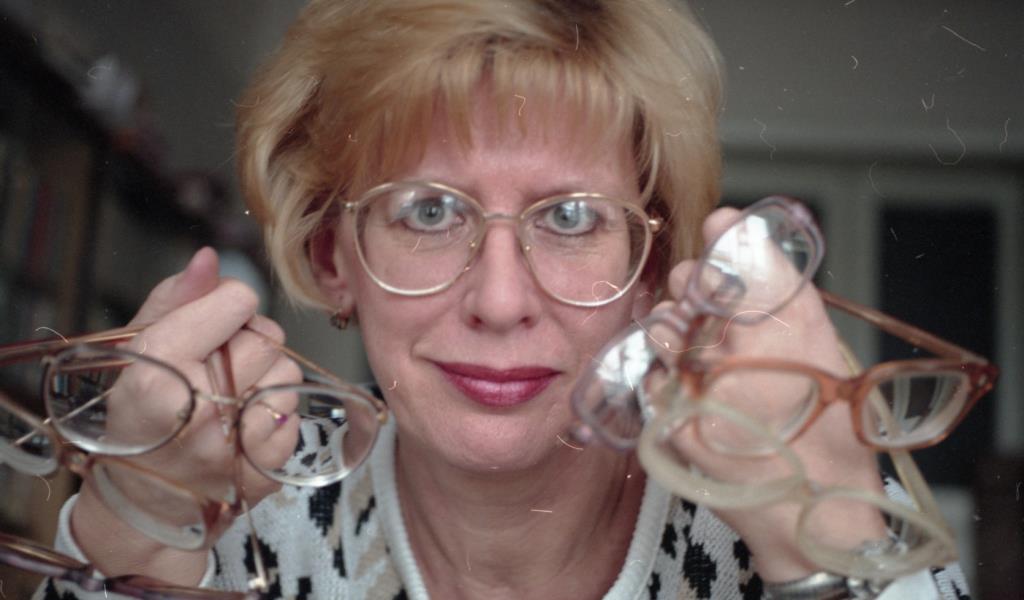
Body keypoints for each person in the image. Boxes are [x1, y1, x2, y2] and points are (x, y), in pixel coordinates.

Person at [35, 0, 970, 598]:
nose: (499, 298)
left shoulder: (786, 499)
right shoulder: (240, 529)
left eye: (571, 217)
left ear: (650, 269)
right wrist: (134, 523)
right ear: (331, 255)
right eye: (428, 211)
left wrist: (830, 552)